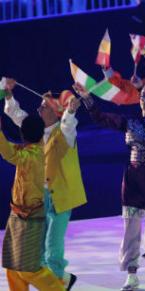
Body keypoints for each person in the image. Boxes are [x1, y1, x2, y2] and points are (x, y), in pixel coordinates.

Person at [74, 83, 145, 291]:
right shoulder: (130, 121)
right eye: (143, 96)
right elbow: (102, 118)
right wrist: (86, 98)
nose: (144, 100)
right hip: (134, 180)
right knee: (131, 230)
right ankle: (132, 274)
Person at [3, 78, 87, 290]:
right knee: (36, 253)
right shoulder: (37, 129)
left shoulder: (64, 132)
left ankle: (58, 282)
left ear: (55, 113)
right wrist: (9, 93)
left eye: (44, 106)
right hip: (39, 200)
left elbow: (68, 124)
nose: (38, 108)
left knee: (52, 250)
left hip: (60, 197)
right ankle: (62, 281)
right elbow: (16, 114)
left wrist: (71, 111)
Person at [1, 113, 66, 291]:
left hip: (31, 217)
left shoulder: (33, 155)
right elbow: (10, 150)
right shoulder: (28, 151)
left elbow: (7, 153)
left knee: (28, 268)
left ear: (22, 133)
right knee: (13, 266)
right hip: (16, 215)